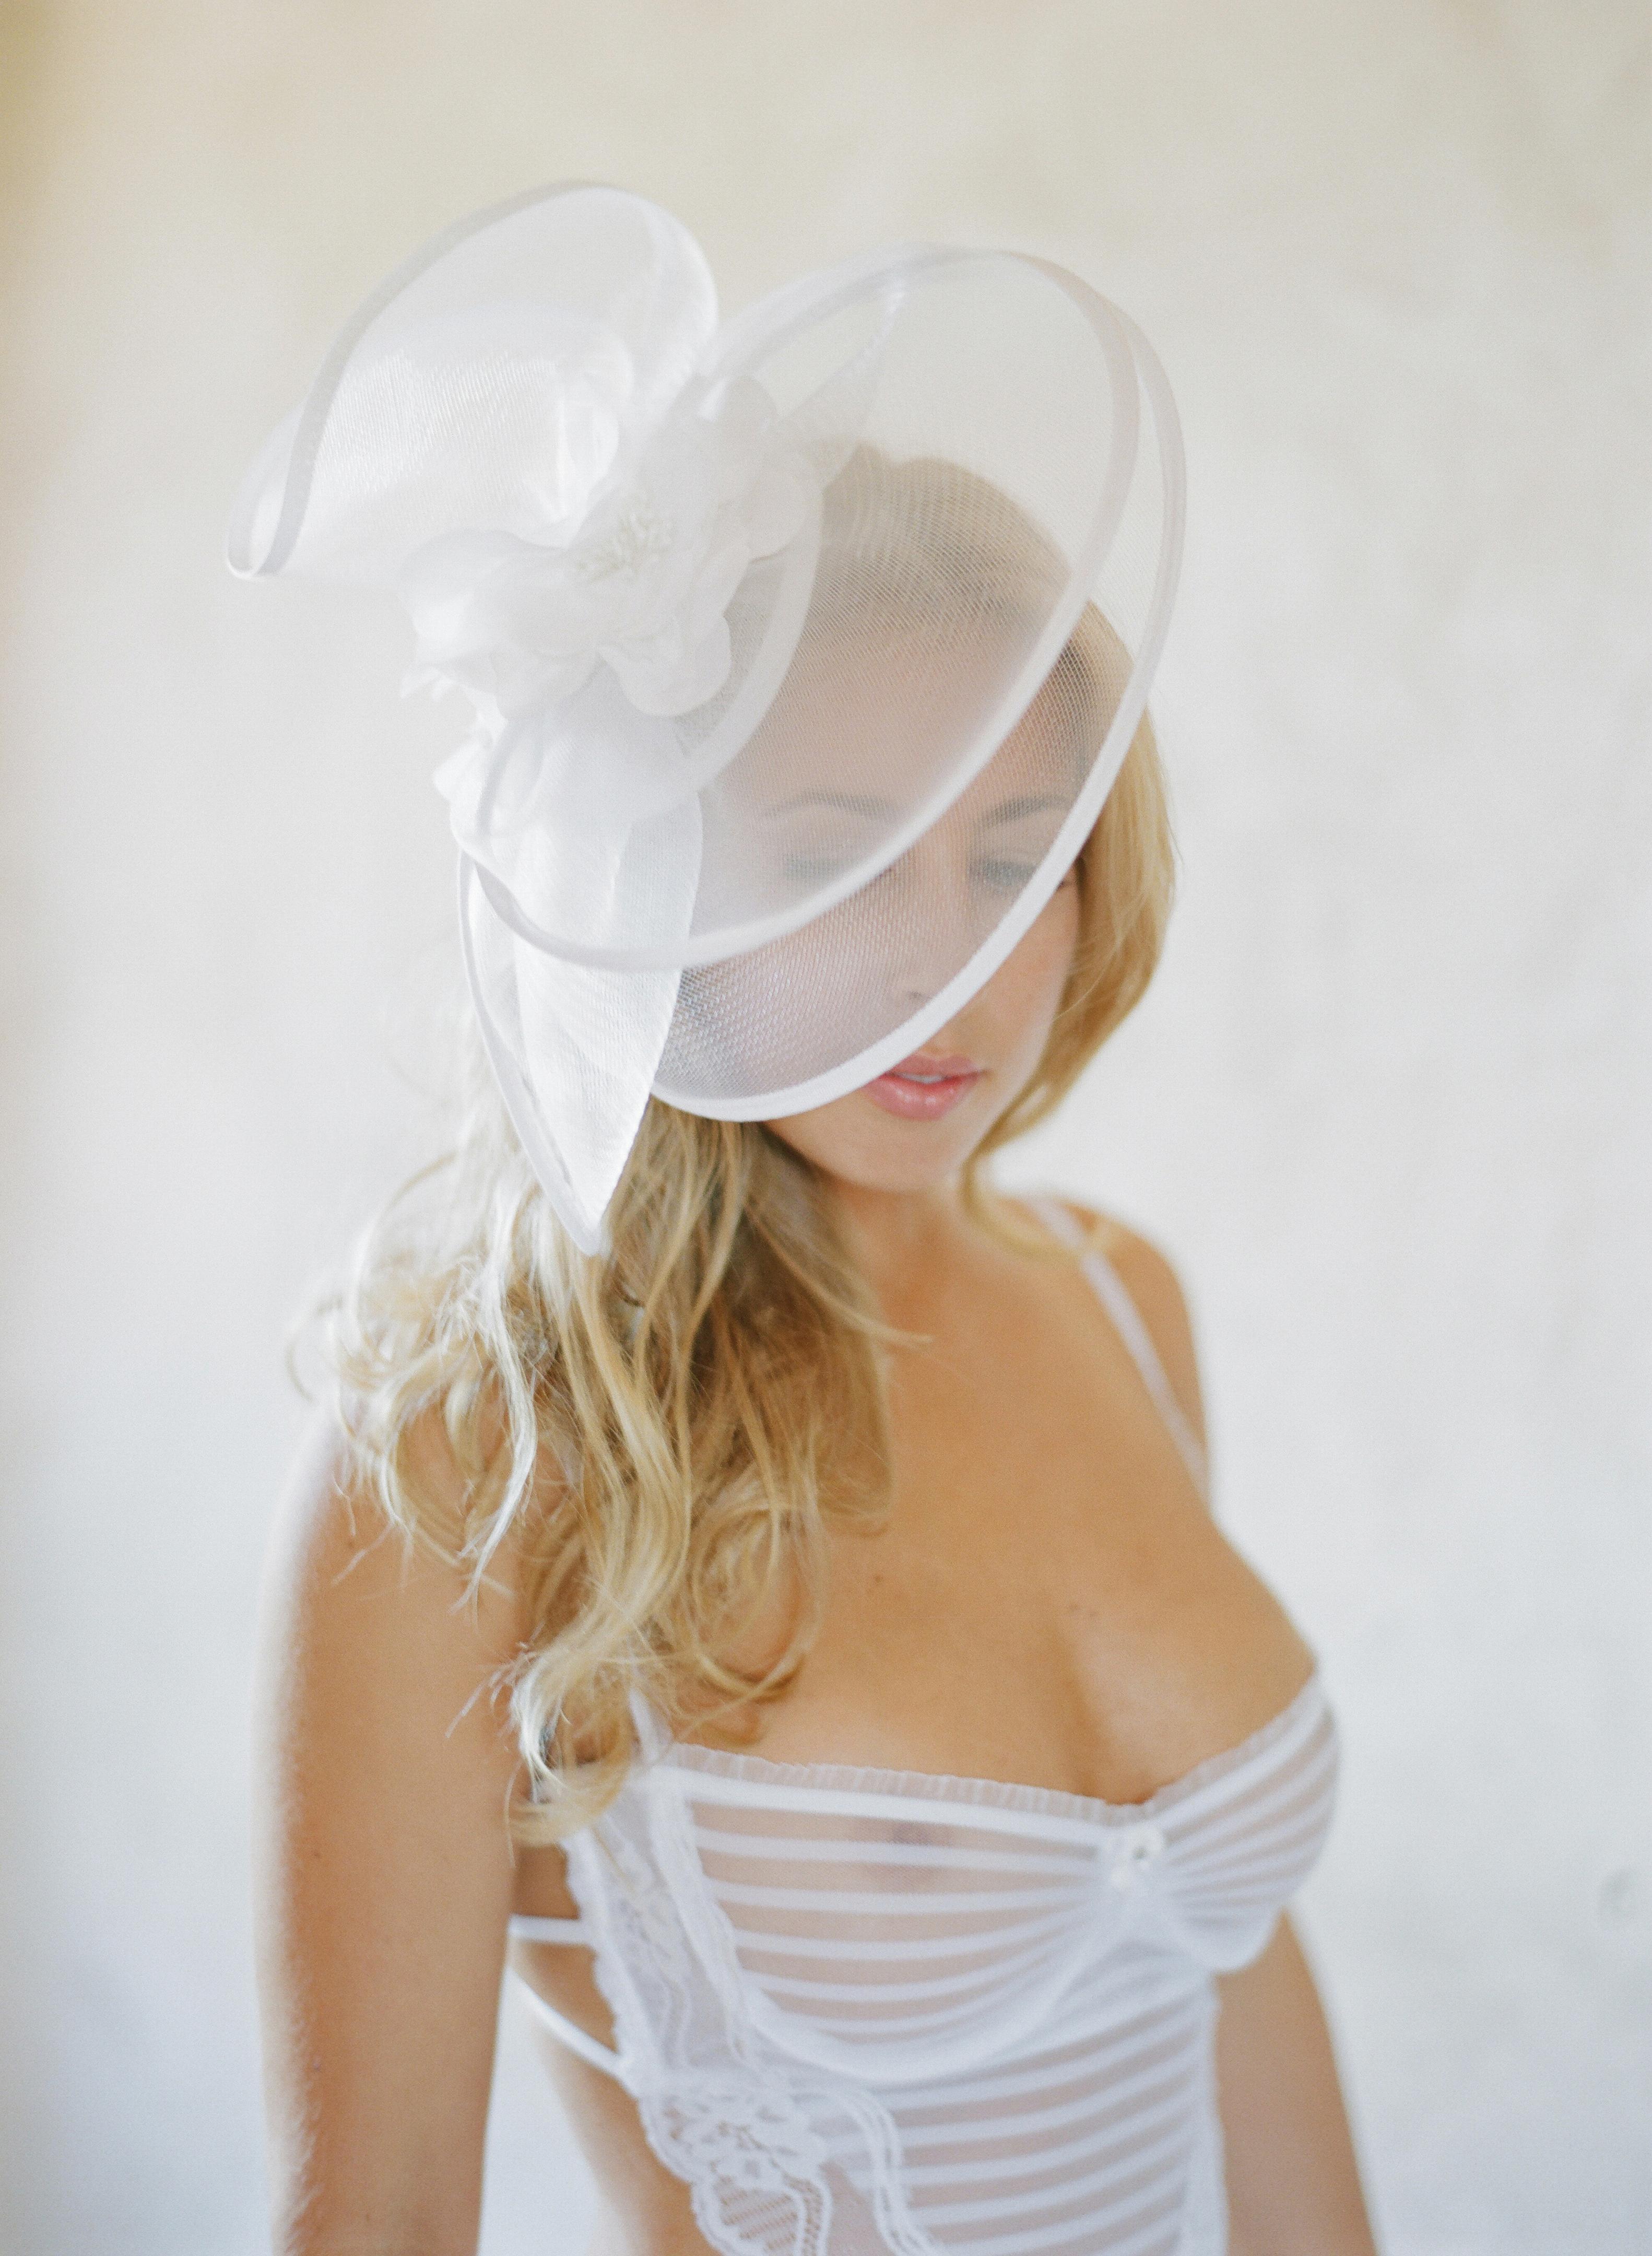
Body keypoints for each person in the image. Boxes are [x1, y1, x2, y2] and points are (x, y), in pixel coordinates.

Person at [238, 187, 1379, 2256]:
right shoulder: (476, 1453)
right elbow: (380, 2217)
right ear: (643, 874)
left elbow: (1232, 1979)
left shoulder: (1122, 1306)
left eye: (1012, 861)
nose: (949, 972)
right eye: (832, 862)